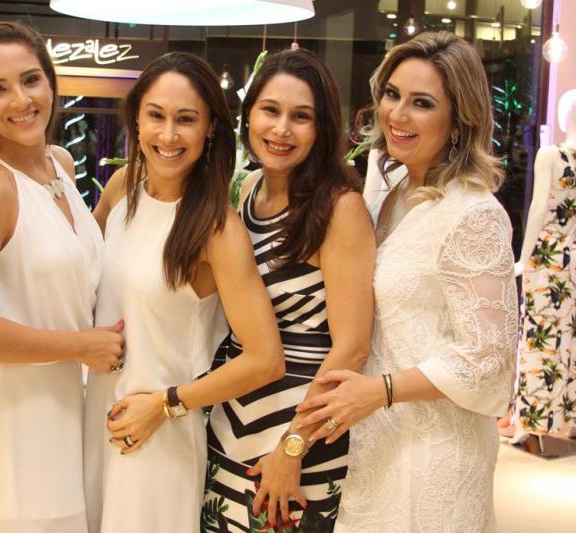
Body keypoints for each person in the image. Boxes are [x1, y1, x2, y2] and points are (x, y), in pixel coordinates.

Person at [296, 31, 518, 532]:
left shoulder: (474, 214)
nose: (397, 114)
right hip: (378, 439)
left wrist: (382, 390)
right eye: (392, 95)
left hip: (437, 452)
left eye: (422, 103)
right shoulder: (388, 191)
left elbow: (489, 357)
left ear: (458, 121)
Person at [0, 21, 123, 533]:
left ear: (51, 83)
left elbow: (68, 259)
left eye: (31, 80)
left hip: (62, 406)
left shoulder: (60, 164)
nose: (21, 100)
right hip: (12, 417)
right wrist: (80, 345)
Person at [82, 52, 284, 533]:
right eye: (156, 116)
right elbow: (83, 286)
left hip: (158, 438)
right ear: (136, 119)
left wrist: (165, 405)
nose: (168, 135)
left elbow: (265, 358)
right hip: (96, 419)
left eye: (186, 120)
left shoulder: (217, 229)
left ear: (210, 127)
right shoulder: (120, 190)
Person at [201, 49, 375, 533]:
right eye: (270, 110)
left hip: (300, 436)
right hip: (231, 421)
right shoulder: (245, 189)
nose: (281, 129)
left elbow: (352, 348)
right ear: (249, 114)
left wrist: (293, 447)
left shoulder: (339, 208)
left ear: (322, 128)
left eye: (301, 117)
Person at [503, 88, 576, 441]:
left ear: (566, 113)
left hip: (546, 252)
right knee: (571, 332)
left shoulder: (551, 154)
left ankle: (529, 421)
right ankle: (573, 415)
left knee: (539, 334)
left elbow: (539, 208)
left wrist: (523, 259)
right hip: (575, 254)